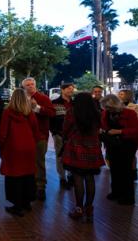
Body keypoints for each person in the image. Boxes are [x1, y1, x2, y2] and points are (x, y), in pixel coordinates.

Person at [62, 93, 104, 222]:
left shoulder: (72, 112)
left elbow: (65, 129)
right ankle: (89, 209)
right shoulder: (97, 113)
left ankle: (79, 209)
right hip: (92, 147)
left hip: (76, 146)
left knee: (78, 177)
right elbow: (100, 128)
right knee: (90, 178)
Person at [0, 89, 40, 216]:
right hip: (29, 147)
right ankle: (27, 203)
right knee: (28, 175)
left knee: (14, 175)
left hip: (13, 147)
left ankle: (17, 205)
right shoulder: (29, 112)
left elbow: (3, 132)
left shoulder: (7, 113)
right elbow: (35, 129)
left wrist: (1, 146)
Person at [101, 94, 138, 205]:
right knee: (115, 169)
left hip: (127, 144)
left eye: (108, 107)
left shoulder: (129, 113)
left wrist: (119, 131)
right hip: (112, 144)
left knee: (126, 171)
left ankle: (128, 197)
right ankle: (116, 192)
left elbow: (136, 130)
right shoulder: (105, 113)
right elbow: (104, 125)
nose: (107, 109)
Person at [22, 77, 55, 201]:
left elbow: (52, 113)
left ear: (35, 85)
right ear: (24, 87)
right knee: (26, 161)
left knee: (39, 162)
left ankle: (40, 187)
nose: (30, 86)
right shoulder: (22, 99)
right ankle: (29, 185)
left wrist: (37, 108)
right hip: (25, 136)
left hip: (40, 136)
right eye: (28, 85)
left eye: (32, 84)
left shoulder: (43, 98)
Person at [50, 83, 75, 189]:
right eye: (69, 89)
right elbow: (51, 119)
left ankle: (71, 175)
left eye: (72, 89)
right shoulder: (54, 103)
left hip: (73, 134)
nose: (71, 91)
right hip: (59, 134)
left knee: (73, 155)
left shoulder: (75, 103)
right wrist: (54, 132)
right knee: (60, 156)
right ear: (62, 90)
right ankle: (62, 177)